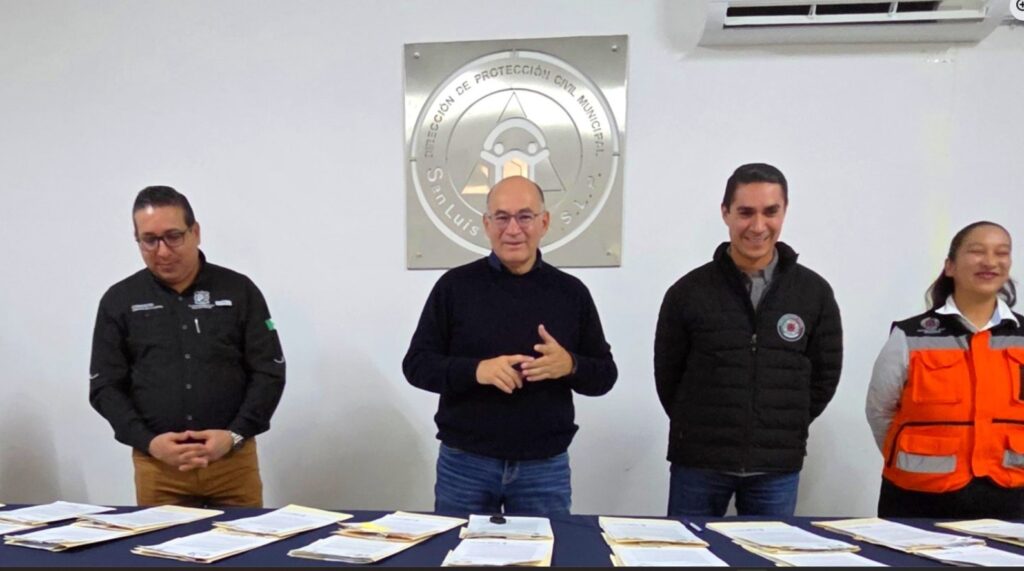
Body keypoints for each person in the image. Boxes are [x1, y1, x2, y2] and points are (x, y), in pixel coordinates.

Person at [403, 175, 617, 516]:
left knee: (548, 547)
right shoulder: (454, 287)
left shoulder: (571, 293)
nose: (513, 229)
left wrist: (570, 365)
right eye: (501, 217)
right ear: (486, 224)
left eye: (525, 216)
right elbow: (416, 365)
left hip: (544, 467)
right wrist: (477, 371)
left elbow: (605, 376)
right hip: (465, 464)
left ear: (544, 222)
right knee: (457, 545)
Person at [654, 163, 843, 517]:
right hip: (698, 463)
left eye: (770, 212)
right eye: (745, 212)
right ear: (725, 213)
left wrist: (780, 426)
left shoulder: (813, 293)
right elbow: (668, 377)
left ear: (784, 212)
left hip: (776, 467)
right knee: (686, 548)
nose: (758, 226)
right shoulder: (687, 292)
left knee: (769, 549)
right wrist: (700, 426)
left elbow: (824, 376)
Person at [89, 186, 285, 507]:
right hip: (159, 468)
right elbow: (105, 387)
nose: (163, 251)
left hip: (232, 464)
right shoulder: (119, 301)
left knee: (245, 540)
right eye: (150, 240)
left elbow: (269, 371)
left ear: (195, 232)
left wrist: (234, 434)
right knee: (161, 542)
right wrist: (149, 442)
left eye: (173, 236)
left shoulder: (239, 291)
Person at [866, 221, 1024, 518]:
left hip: (1011, 496)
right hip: (917, 497)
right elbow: (880, 410)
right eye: (977, 251)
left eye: (1001, 253)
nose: (990, 261)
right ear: (950, 266)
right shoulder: (911, 336)